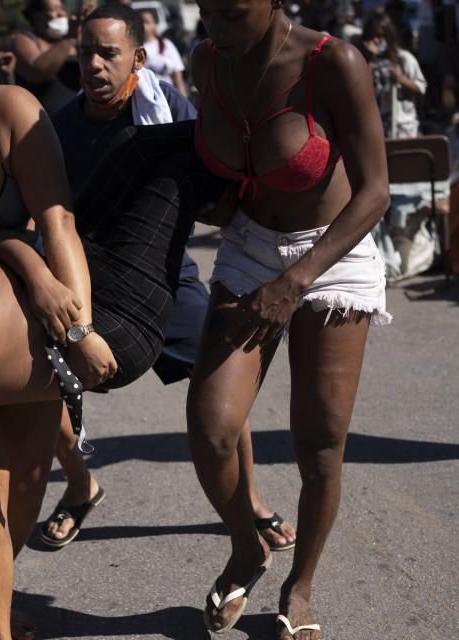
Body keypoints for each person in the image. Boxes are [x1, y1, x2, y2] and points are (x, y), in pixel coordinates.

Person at [0, 1, 228, 637]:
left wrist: (78, 328)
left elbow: (59, 224)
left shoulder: (16, 114)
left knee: (27, 482)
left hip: (29, 332)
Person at [42, 1, 296, 553]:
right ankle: (80, 489)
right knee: (44, 390)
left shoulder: (172, 111)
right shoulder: (54, 131)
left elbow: (213, 196)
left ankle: (248, 499)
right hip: (87, 290)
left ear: (137, 55)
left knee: (222, 392)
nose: (94, 66)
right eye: (86, 53)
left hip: (169, 277)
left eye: (108, 54)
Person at [188, 1, 391, 638]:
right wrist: (220, 195)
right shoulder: (206, 61)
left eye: (228, 9)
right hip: (252, 251)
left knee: (320, 444)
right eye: (203, 7)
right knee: (211, 425)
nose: (213, 23)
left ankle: (299, 586)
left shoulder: (335, 63)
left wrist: (297, 280)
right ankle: (248, 547)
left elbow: (375, 190)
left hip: (335, 254)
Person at [357, 8, 427, 139]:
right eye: (371, 37)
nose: (375, 41)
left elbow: (421, 88)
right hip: (377, 128)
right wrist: (370, 61)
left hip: (403, 126)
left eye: (379, 36)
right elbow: (361, 92)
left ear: (388, 36)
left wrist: (401, 79)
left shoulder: (404, 59)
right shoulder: (361, 62)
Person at [11, 0, 89, 112]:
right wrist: (69, 37)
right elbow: (37, 71)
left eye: (62, 9)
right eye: (54, 9)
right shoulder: (23, 39)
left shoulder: (74, 44)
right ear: (37, 16)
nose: (61, 14)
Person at [139, 8, 188, 96]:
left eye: (147, 22)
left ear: (155, 24)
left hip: (167, 95)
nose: (143, 26)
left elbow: (177, 73)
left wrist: (182, 95)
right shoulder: (134, 47)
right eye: (140, 22)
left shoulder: (166, 44)